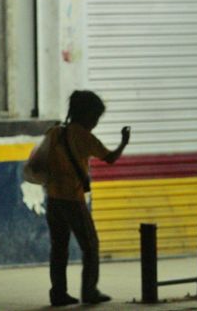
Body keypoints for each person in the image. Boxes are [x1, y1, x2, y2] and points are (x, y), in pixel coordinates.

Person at [45, 90, 131, 306]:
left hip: (53, 199)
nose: (95, 122)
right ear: (87, 115)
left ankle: (58, 293)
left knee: (58, 248)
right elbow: (110, 158)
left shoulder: (55, 132)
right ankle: (89, 290)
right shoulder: (84, 136)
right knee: (90, 245)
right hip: (72, 200)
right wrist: (124, 142)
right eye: (95, 117)